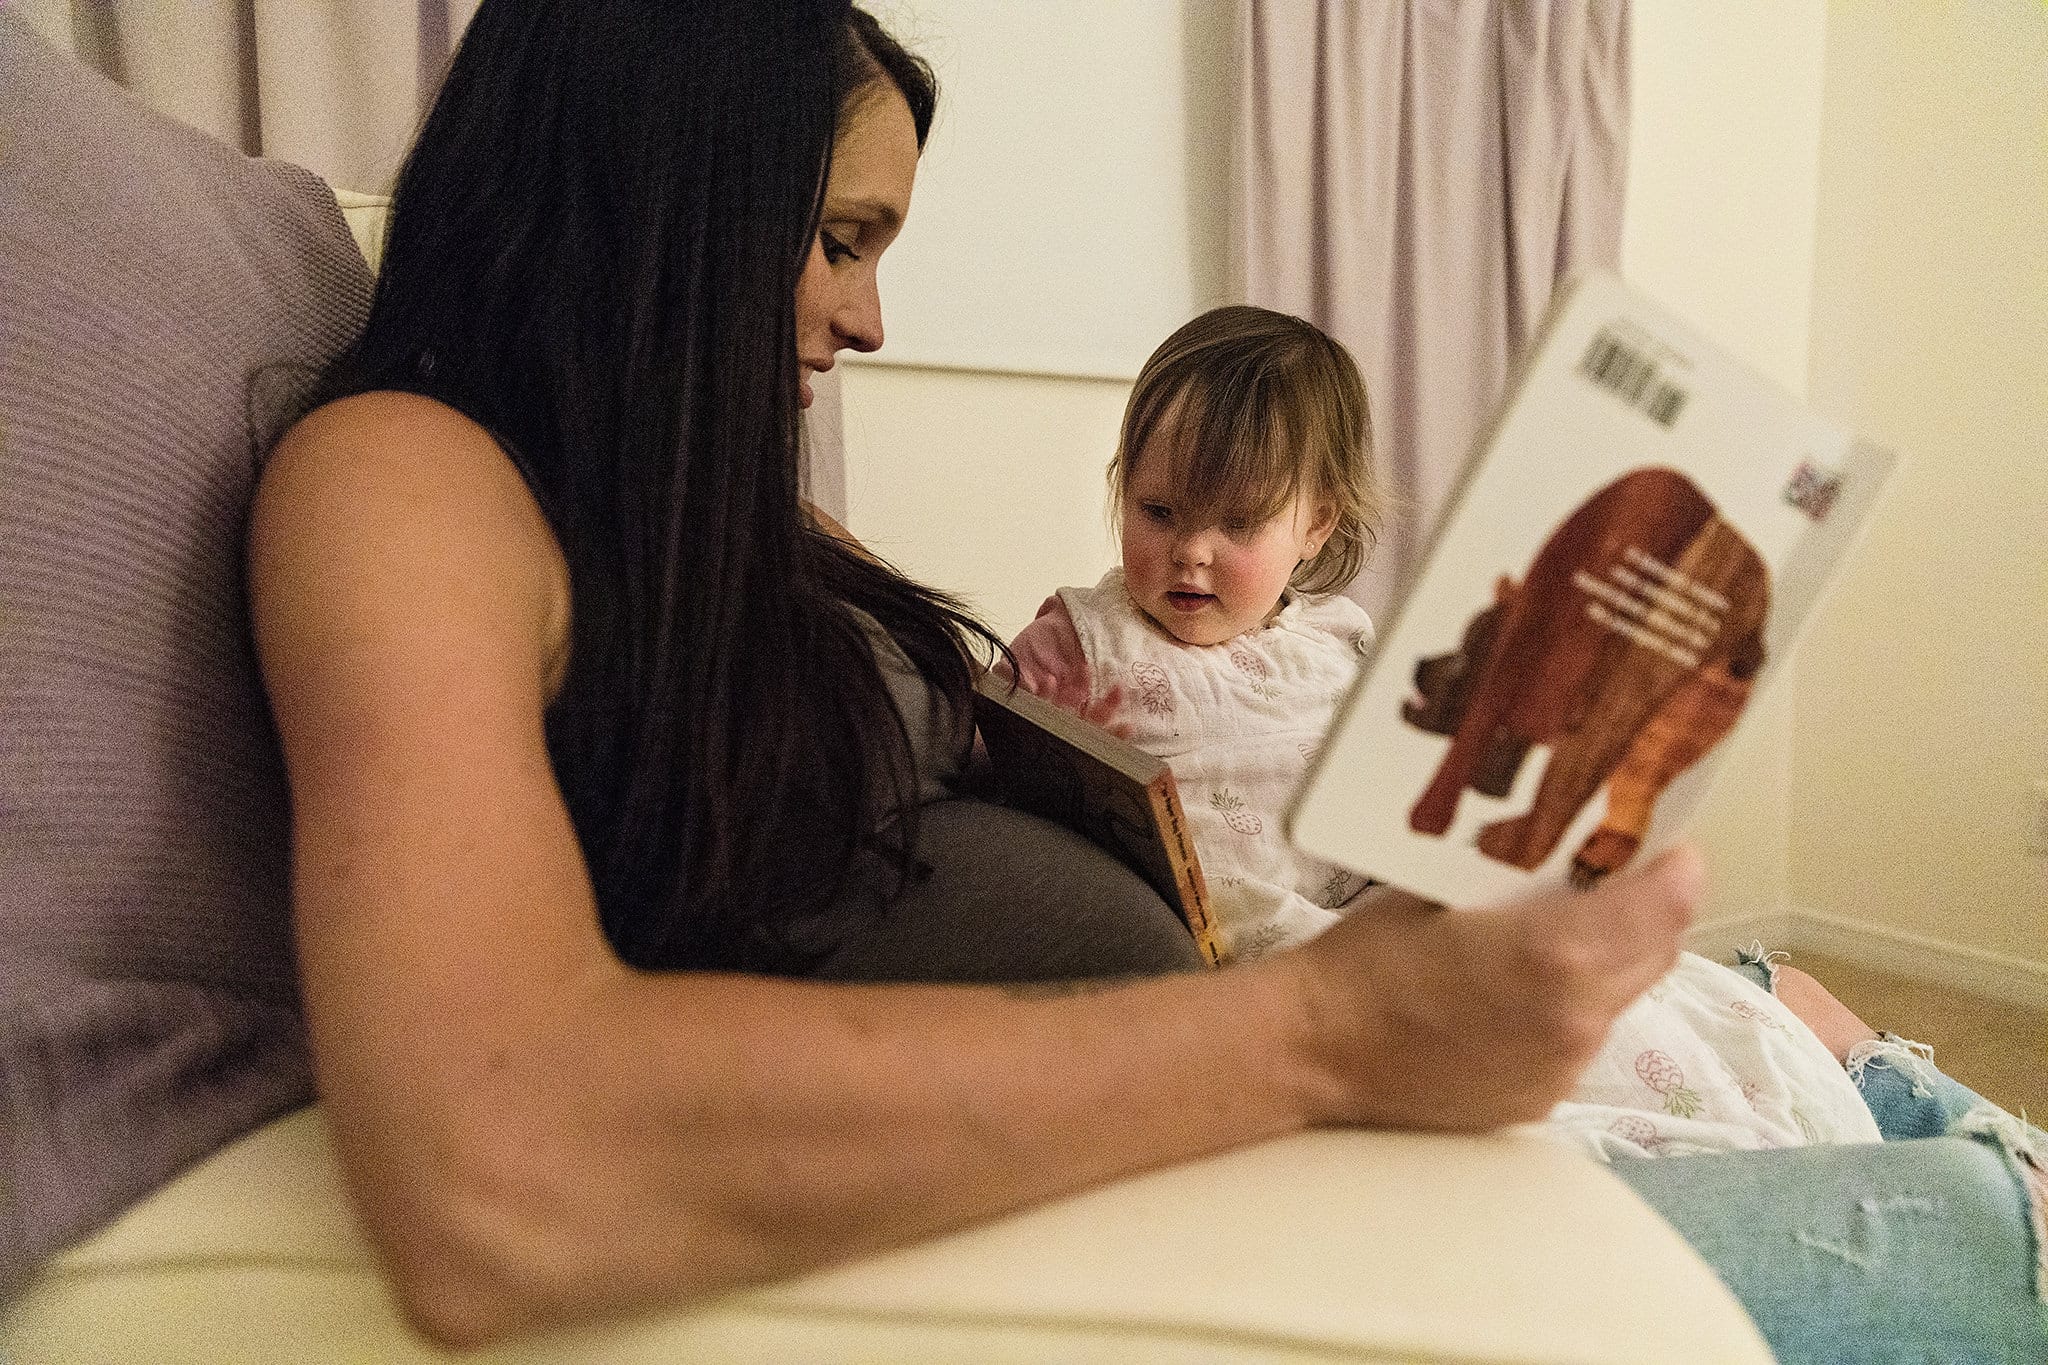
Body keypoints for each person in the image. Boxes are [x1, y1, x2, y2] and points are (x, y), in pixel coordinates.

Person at [241, 3, 2042, 1359]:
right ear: (658, 201)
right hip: (1184, 1183)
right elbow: (494, 1154)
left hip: (1216, 1102)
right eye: (841, 238)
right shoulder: (407, 472)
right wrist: (1329, 1031)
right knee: (1977, 1236)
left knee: (1748, 1009)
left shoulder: (657, 513)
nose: (867, 320)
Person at [1003, 306, 1878, 1161]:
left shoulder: (1336, 642)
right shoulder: (1086, 641)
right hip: (1274, 966)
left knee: (1658, 1014)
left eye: (1237, 523)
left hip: (1388, 918)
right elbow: (991, 729)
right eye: (1158, 510)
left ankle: (1900, 1107)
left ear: (1317, 526)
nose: (1190, 550)